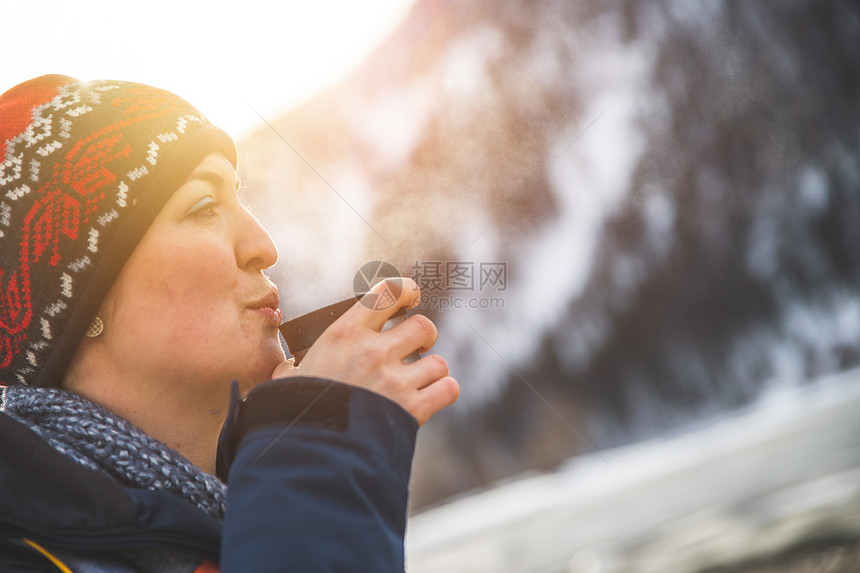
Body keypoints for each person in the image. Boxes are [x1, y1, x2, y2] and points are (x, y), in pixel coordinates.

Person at [0, 75, 459, 572]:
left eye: (240, 198)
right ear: (75, 300)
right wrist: (311, 471)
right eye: (202, 207)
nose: (264, 246)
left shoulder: (233, 515)